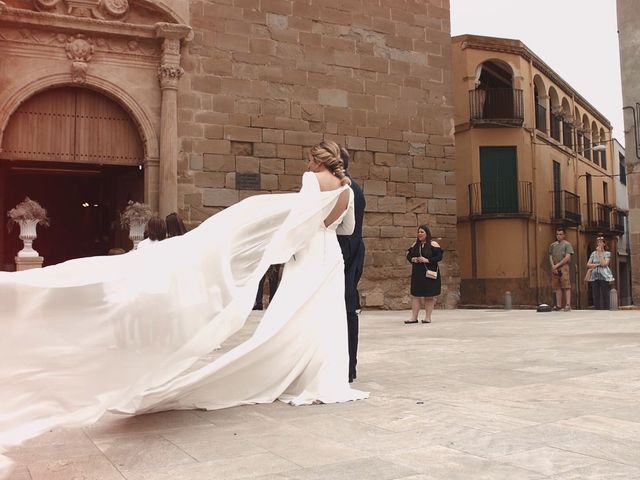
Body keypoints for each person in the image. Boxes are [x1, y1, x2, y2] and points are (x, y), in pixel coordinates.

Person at [0, 140, 368, 475]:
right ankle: (324, 380)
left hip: (306, 256)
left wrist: (273, 247)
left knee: (291, 316)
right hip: (330, 255)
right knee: (325, 316)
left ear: (313, 160)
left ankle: (295, 376)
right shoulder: (348, 191)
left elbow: (298, 222)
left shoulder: (310, 180)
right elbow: (348, 230)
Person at [336, 146, 366, 383]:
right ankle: (347, 366)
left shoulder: (348, 189)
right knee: (346, 311)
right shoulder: (353, 187)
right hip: (349, 254)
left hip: (346, 256)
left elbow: (348, 232)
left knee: (346, 311)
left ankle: (347, 366)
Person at [405, 225, 443, 324]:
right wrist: (413, 259)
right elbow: (408, 255)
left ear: (427, 233)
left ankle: (428, 317)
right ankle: (414, 317)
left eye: (422, 232)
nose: (419, 234)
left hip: (429, 274)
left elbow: (439, 257)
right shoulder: (415, 245)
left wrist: (427, 260)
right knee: (415, 295)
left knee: (429, 296)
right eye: (419, 232)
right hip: (418, 274)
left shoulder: (433, 244)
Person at [549, 227, 574, 311]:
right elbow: (550, 256)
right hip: (555, 266)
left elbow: (567, 257)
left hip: (564, 267)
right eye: (557, 234)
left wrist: (558, 265)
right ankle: (558, 305)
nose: (558, 236)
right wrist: (553, 266)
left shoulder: (567, 244)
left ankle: (567, 305)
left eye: (560, 234)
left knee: (566, 285)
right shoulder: (553, 245)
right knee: (557, 286)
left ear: (564, 235)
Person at [586, 236, 614, 310]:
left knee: (605, 293)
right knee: (595, 294)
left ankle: (606, 308)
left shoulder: (607, 253)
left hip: (604, 275)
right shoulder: (593, 254)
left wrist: (600, 254)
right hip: (594, 275)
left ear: (604, 244)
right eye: (598, 242)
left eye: (601, 242)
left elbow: (604, 264)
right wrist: (597, 265)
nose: (599, 243)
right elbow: (588, 264)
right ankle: (597, 309)